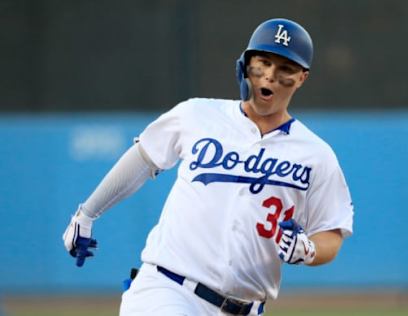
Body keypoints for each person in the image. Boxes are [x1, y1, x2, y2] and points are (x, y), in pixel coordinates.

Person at [63, 18, 354, 315]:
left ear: (302, 77)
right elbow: (143, 158)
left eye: (285, 69)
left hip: (247, 307)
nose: (270, 76)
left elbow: (331, 231)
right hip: (168, 289)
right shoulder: (198, 114)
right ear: (246, 64)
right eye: (262, 63)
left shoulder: (316, 154)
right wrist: (87, 214)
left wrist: (308, 249)